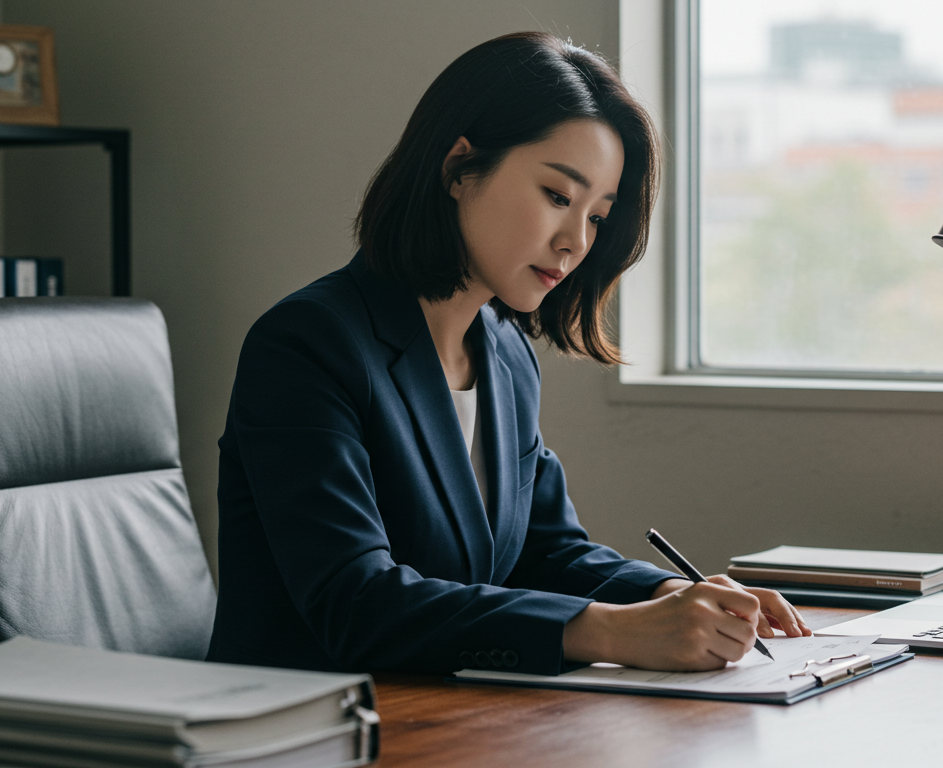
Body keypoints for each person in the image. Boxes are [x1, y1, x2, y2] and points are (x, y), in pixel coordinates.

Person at [206, 31, 809, 677]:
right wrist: (611, 634)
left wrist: (669, 598)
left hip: (451, 715)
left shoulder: (502, 350)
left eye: (598, 216)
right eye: (557, 196)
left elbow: (544, 553)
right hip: (305, 730)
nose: (575, 241)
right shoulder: (306, 344)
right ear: (460, 168)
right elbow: (355, 603)